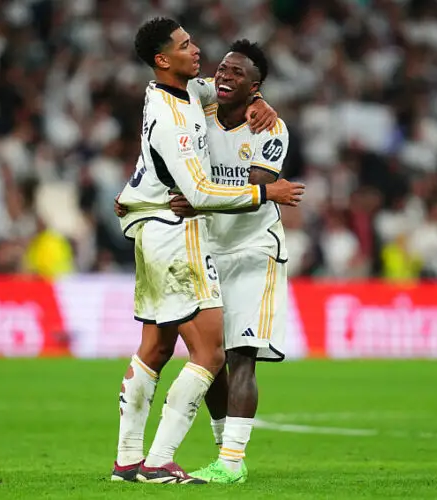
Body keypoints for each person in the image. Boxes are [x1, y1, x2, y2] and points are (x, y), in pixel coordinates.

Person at [111, 17, 304, 485]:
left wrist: (258, 100)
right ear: (162, 59)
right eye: (185, 44)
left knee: (167, 348)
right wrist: (256, 194)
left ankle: (133, 460)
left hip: (244, 245)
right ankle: (162, 463)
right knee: (210, 354)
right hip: (187, 235)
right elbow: (204, 191)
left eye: (237, 74)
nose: (202, 55)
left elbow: (215, 91)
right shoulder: (183, 116)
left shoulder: (203, 101)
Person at [168, 39, 291, 484]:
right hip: (208, 249)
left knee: (242, 356)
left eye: (238, 74)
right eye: (222, 69)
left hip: (255, 250)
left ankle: (232, 463)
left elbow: (258, 194)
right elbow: (173, 84)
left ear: (254, 84)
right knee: (210, 355)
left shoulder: (271, 130)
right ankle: (226, 455)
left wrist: (198, 203)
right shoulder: (201, 102)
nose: (224, 77)